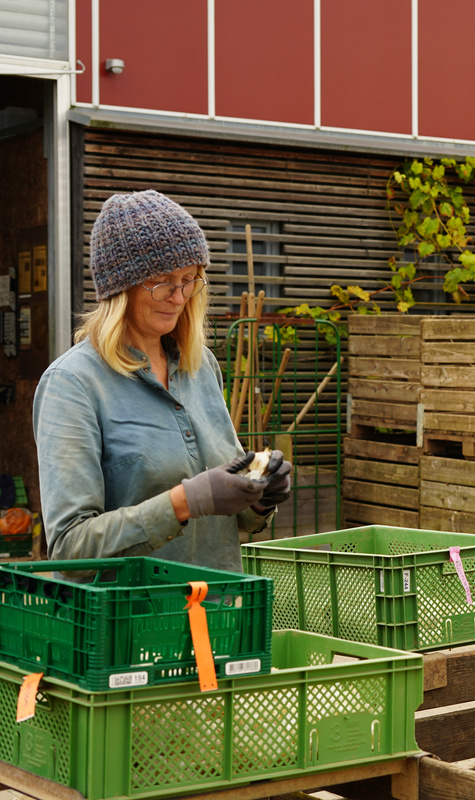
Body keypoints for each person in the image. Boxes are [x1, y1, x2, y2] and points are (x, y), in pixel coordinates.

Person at [33, 189, 292, 574]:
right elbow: (71, 549)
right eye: (163, 282)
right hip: (128, 610)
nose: (179, 297)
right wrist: (186, 501)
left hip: (217, 604)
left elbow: (229, 522)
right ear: (120, 287)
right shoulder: (73, 384)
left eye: (189, 280)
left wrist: (259, 498)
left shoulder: (200, 367)